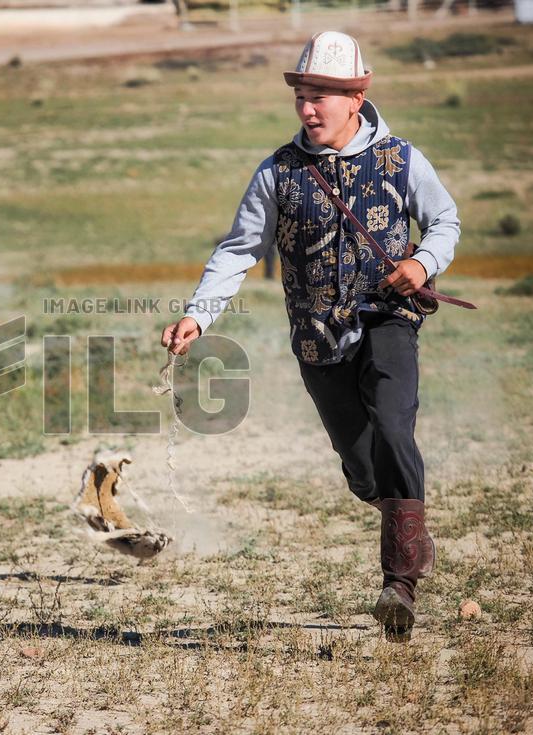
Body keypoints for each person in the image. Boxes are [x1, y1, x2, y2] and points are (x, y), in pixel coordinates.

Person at [161, 31, 459, 641]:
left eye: (321, 95)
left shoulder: (402, 159)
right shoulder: (279, 173)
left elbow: (445, 219)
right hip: (317, 338)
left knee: (395, 428)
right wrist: (198, 314)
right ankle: (407, 522)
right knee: (362, 470)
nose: (307, 108)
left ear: (357, 96)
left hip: (388, 318)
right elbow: (240, 249)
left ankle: (398, 584)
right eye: (301, 94)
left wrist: (423, 263)